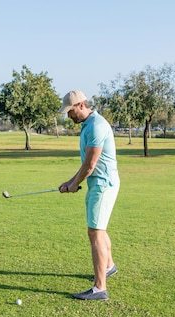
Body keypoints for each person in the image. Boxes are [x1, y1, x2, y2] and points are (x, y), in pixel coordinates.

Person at [58, 90, 120, 301]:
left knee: (95, 233)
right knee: (99, 230)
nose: (69, 116)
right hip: (99, 183)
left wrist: (75, 184)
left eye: (70, 111)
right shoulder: (89, 124)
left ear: (81, 105)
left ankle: (100, 288)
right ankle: (109, 266)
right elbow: (86, 164)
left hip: (103, 184)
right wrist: (70, 182)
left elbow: (91, 164)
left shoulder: (96, 126)